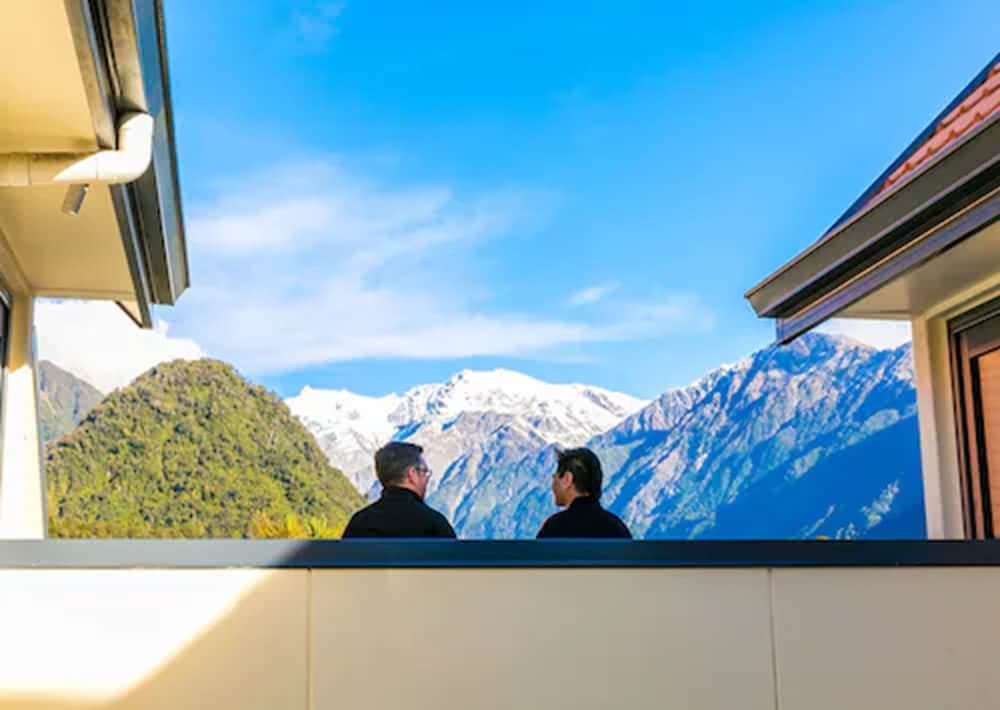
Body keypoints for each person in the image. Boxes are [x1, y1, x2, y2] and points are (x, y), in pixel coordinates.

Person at [341, 441, 457, 538]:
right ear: (412, 475)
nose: (427, 478)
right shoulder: (436, 526)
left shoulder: (359, 524)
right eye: (424, 472)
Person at [536, 447, 632, 539]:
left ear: (567, 479)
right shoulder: (618, 529)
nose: (553, 485)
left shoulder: (554, 528)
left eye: (554, 478)